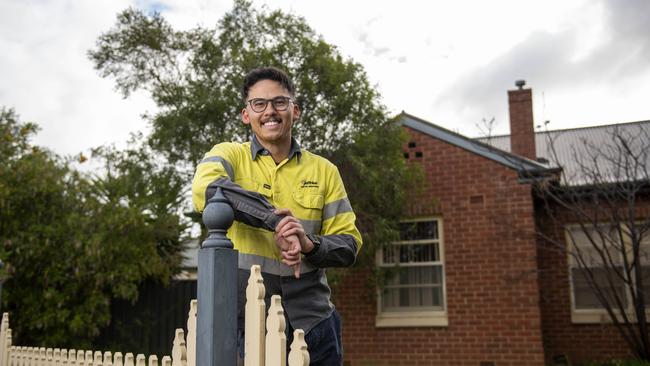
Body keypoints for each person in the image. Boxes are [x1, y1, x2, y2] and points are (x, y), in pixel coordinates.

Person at [191, 66, 362, 365]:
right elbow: (208, 190)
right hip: (245, 326)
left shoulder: (324, 170)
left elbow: (349, 244)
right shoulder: (229, 155)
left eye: (279, 102)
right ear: (247, 114)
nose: (270, 111)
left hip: (315, 325)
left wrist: (308, 244)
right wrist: (275, 220)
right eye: (259, 104)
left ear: (294, 111)